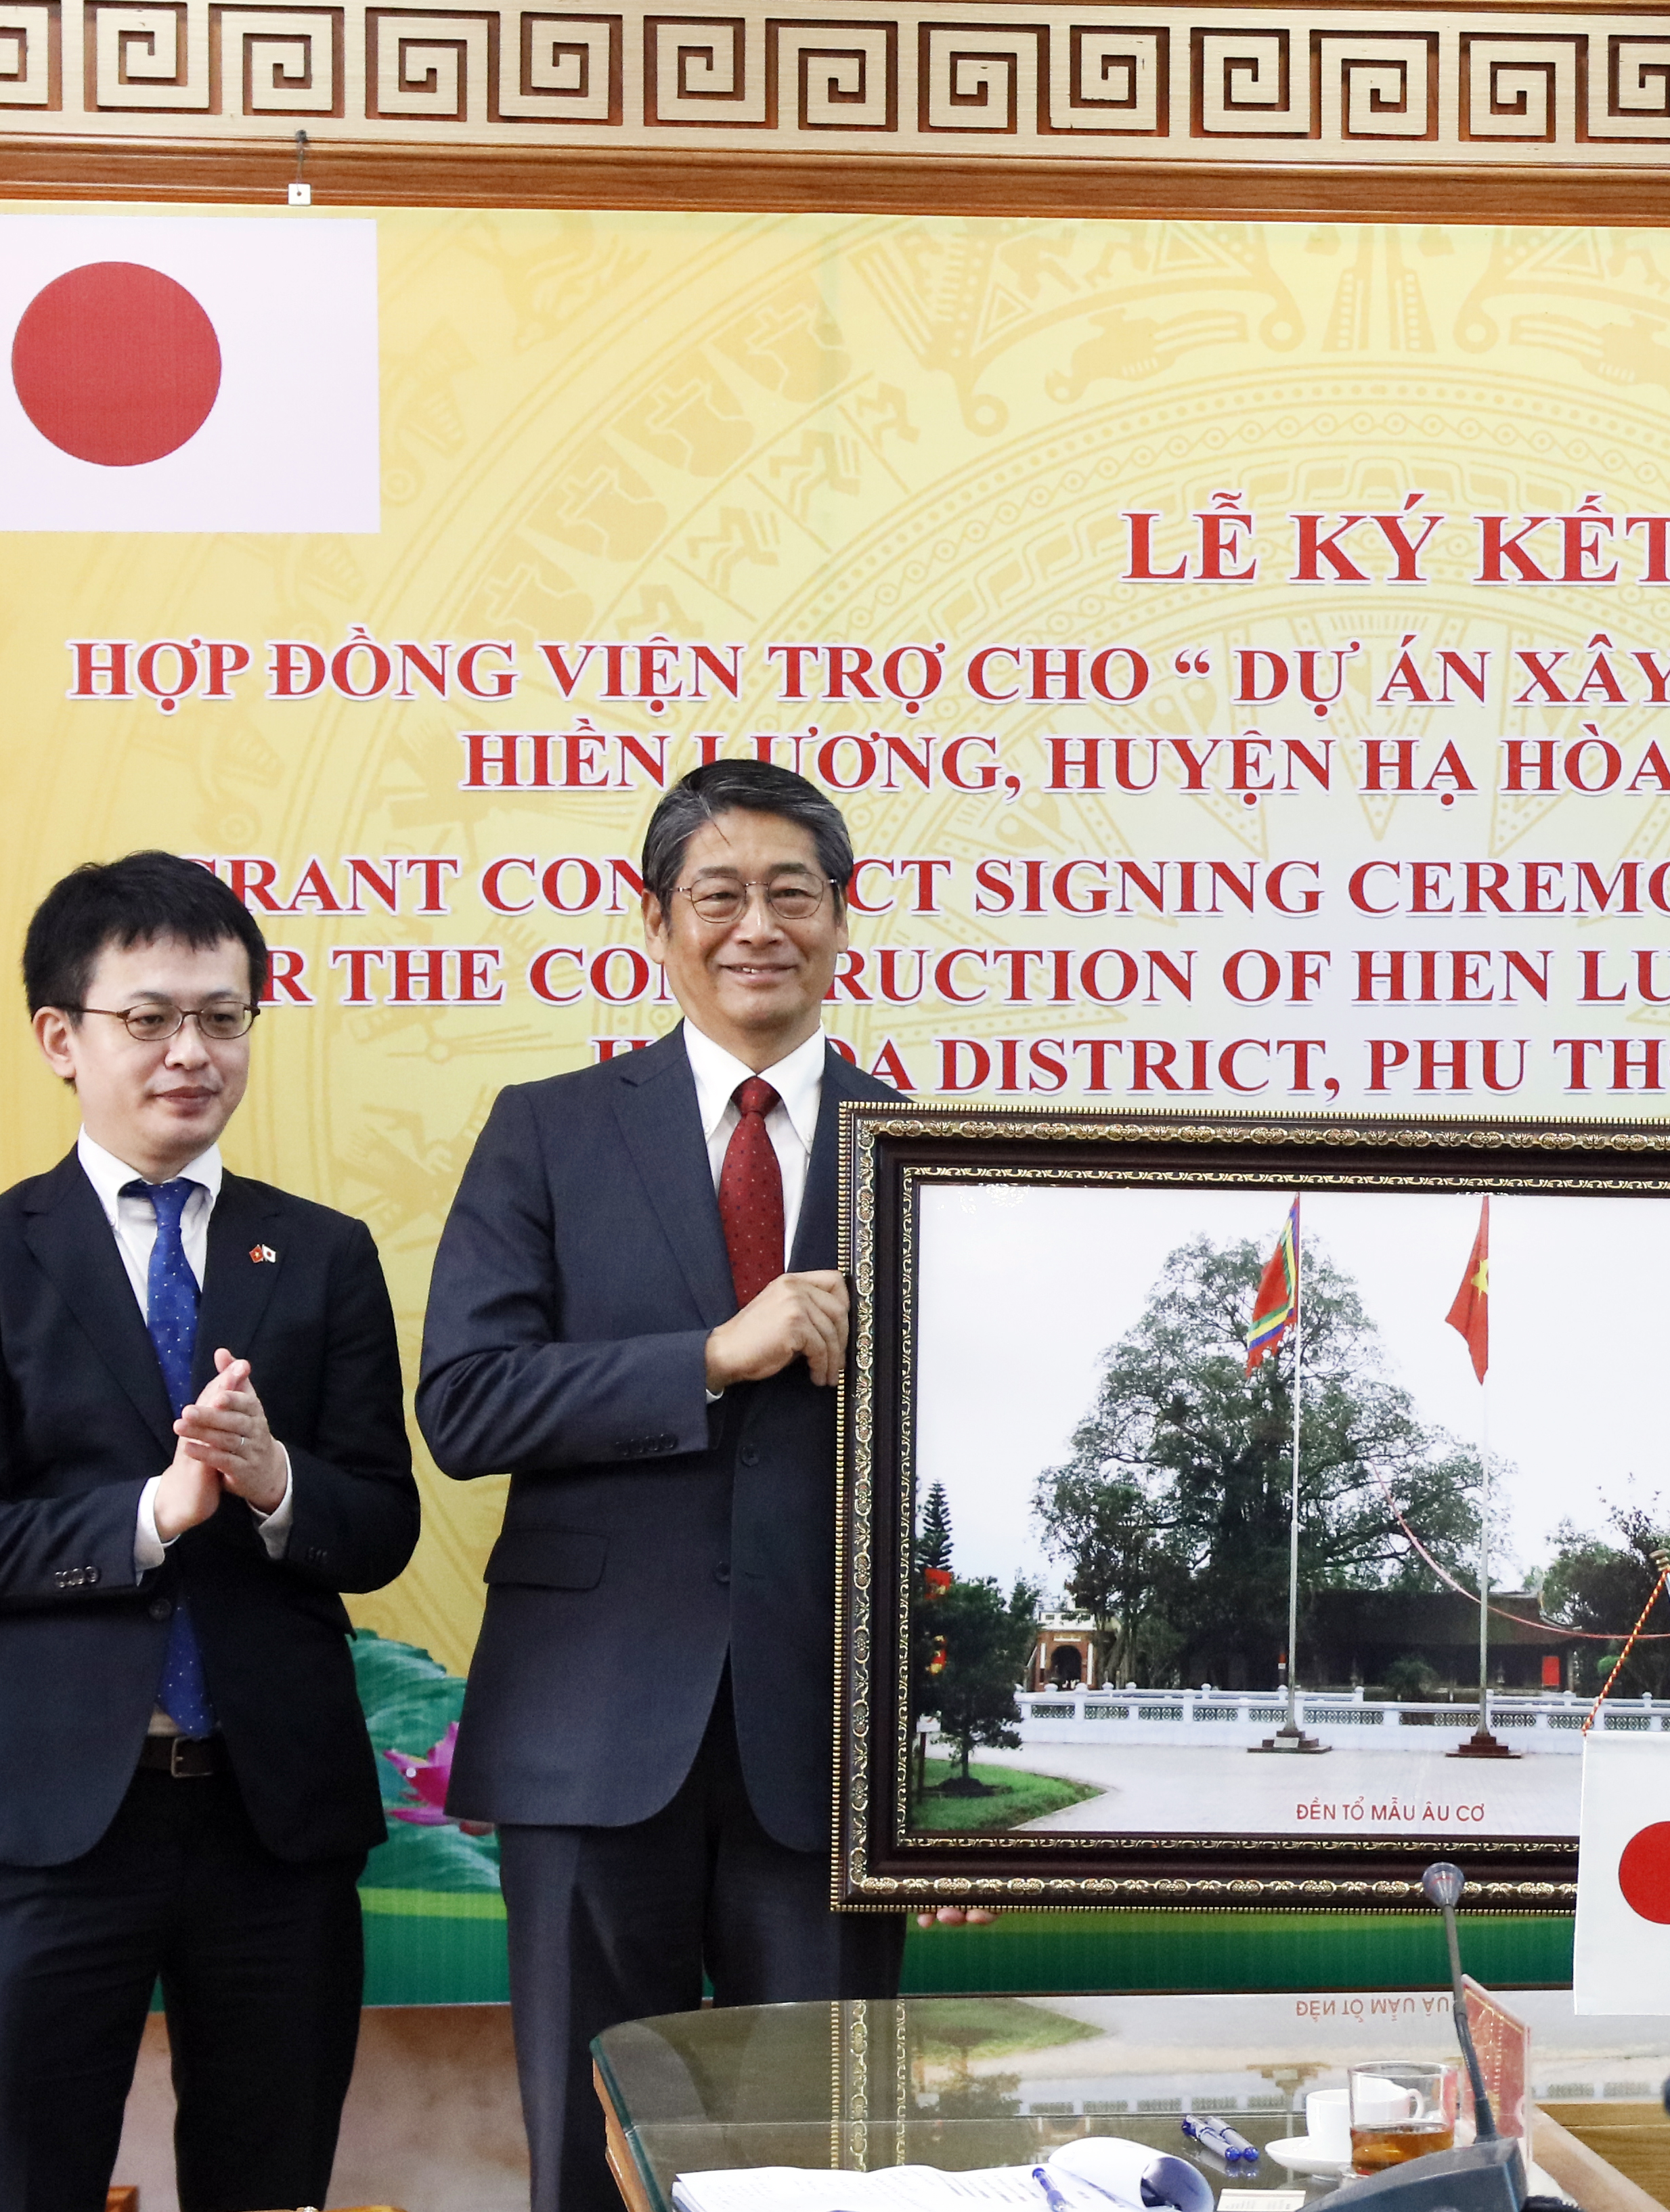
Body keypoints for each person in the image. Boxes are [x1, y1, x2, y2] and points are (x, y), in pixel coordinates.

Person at [425, 759, 990, 2212]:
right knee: (589, 2150)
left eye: (792, 891)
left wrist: (940, 1776)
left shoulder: (925, 1151)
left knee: (830, 2162)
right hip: (590, 1728)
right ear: (656, 922)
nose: (758, 925)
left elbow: (972, 1467)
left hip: (830, 1754)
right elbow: (467, 1402)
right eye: (719, 893)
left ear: (844, 919)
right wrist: (709, 1356)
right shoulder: (545, 1128)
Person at [0, 852, 419, 2212]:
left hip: (270, 1814)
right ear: (61, 1037)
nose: (193, 1051)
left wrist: (272, 1481)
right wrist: (152, 1511)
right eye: (151, 1017)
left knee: (267, 2181)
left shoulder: (322, 1251)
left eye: (225, 1016)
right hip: (52, 1816)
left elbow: (381, 1523)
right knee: (17, 2182)